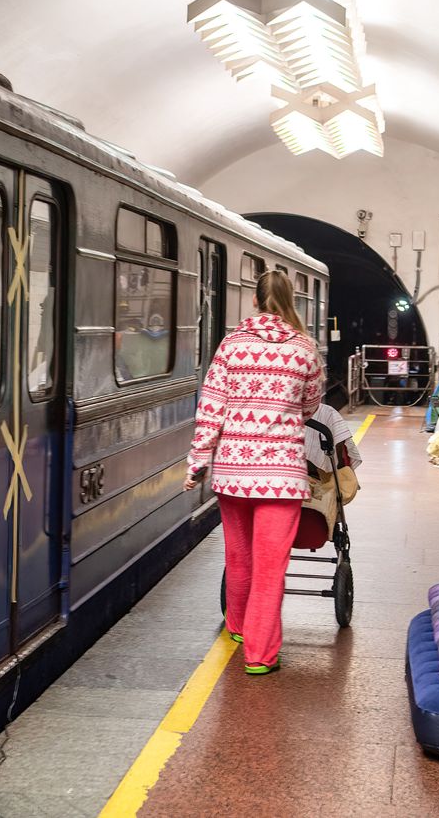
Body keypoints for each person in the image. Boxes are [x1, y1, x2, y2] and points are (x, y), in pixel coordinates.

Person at [184, 270, 325, 676]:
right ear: (291, 301)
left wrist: (197, 463)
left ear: (254, 301)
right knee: (270, 568)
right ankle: (261, 656)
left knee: (239, 556)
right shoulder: (304, 348)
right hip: (281, 474)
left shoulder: (231, 345)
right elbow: (311, 405)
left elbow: (210, 409)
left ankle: (240, 628)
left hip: (233, 472)